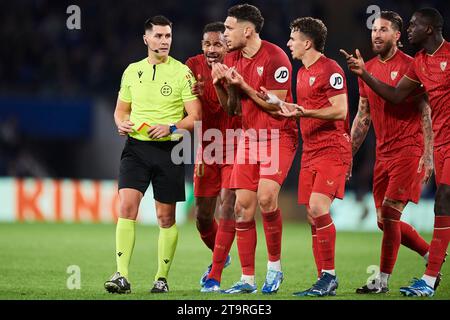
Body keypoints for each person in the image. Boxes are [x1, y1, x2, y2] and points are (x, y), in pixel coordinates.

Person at [341, 7, 449, 297]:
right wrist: (349, 153)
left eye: (383, 29)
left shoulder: (412, 64)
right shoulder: (370, 68)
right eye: (374, 29)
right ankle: (429, 256)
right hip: (383, 153)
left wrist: (427, 154)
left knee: (390, 212)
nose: (376, 34)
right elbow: (363, 116)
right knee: (384, 220)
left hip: (409, 148)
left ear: (397, 36)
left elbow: (425, 110)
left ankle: (385, 281)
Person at [104, 15, 201, 294]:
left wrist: (170, 126)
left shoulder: (182, 72)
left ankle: (161, 278)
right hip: (135, 148)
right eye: (158, 36)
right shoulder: (132, 71)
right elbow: (121, 110)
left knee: (165, 218)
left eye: (168, 36)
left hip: (170, 150)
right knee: (126, 208)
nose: (164, 41)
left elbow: (195, 116)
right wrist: (119, 122)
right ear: (146, 39)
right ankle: (121, 276)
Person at [207, 4, 298, 294]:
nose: (224, 34)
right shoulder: (231, 58)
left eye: (229, 28)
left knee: (266, 199)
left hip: (278, 135)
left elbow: (278, 107)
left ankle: (275, 268)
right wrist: (220, 83)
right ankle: (247, 279)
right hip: (249, 138)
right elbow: (232, 110)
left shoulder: (276, 58)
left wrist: (244, 86)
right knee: (241, 207)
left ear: (247, 30)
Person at [259, 17, 351, 297]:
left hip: (332, 147)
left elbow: (340, 110)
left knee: (318, 206)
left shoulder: (330, 69)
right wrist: (279, 103)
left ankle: (330, 275)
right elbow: (300, 107)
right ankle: (323, 279)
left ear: (307, 42)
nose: (289, 43)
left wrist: (305, 112)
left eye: (293, 38)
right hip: (310, 150)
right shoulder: (300, 73)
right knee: (312, 214)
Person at [185, 22, 241, 292]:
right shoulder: (192, 66)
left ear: (227, 45)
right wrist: (191, 99)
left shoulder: (237, 65)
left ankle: (215, 273)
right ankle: (222, 255)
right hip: (207, 149)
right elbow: (186, 106)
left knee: (228, 207)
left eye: (217, 43)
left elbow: (235, 109)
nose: (211, 49)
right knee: (203, 218)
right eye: (207, 44)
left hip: (234, 146)